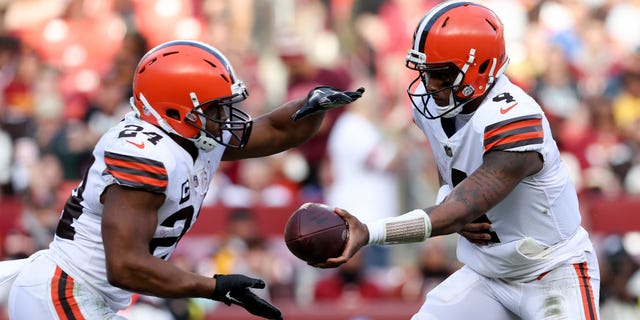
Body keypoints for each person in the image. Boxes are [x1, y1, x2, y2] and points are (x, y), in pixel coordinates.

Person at [2, 39, 364, 320]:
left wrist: (314, 107)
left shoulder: (188, 134)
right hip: (64, 291)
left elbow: (271, 129)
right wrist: (214, 287)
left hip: (86, 293)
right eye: (215, 108)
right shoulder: (145, 152)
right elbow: (125, 265)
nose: (227, 116)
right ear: (176, 108)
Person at [312, 2, 601, 320]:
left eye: (442, 73)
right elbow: (451, 169)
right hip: (486, 273)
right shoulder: (431, 106)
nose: (430, 84)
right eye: (427, 72)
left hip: (550, 273)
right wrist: (445, 201)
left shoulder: (514, 116)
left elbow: (460, 207)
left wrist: (370, 231)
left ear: (480, 68)